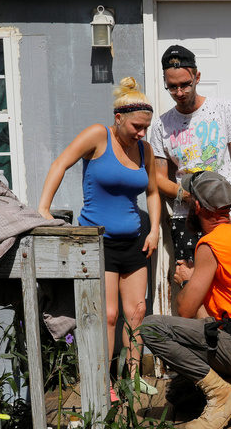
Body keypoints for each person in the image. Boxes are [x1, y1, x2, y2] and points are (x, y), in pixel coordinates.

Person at [38, 77, 162, 402]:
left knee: (136, 312)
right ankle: (103, 382)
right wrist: (43, 208)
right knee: (107, 315)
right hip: (98, 244)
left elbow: (152, 191)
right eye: (136, 126)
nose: (141, 133)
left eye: (146, 127)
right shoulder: (98, 135)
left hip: (134, 242)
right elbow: (61, 163)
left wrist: (154, 229)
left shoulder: (144, 149)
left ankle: (132, 379)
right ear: (119, 118)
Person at [140, 172, 231, 429]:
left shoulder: (210, 244)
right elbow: (209, 316)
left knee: (151, 328)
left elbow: (186, 310)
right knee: (180, 395)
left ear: (196, 206)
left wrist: (186, 279)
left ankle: (221, 394)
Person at [149, 44, 231, 288]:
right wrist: (189, 198)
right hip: (186, 218)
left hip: (223, 216)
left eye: (185, 84)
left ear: (197, 77)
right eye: (172, 86)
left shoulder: (224, 110)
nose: (179, 92)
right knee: (191, 285)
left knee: (229, 283)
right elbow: (159, 178)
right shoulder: (161, 125)